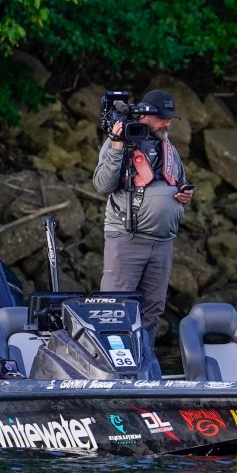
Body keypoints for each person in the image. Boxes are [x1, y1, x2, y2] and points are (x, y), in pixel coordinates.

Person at [92, 88, 194, 341]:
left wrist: (184, 194)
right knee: (114, 309)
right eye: (163, 118)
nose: (168, 123)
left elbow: (180, 181)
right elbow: (102, 185)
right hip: (127, 238)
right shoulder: (120, 140)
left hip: (162, 243)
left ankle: (144, 360)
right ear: (145, 115)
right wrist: (117, 146)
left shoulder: (168, 146)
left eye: (170, 118)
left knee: (153, 310)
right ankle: (112, 361)